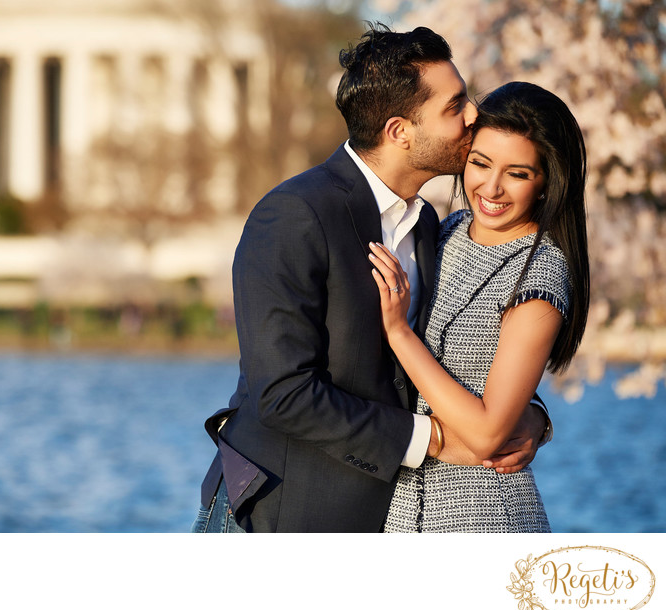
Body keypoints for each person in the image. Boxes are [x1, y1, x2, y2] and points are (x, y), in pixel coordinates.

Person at [192, 24, 550, 533]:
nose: (475, 114)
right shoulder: (296, 214)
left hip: (382, 522)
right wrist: (434, 438)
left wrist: (530, 417)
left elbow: (465, 341)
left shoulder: (431, 224)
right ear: (400, 131)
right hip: (282, 514)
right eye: (455, 106)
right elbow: (282, 393)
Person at [369, 81, 589, 532]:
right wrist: (535, 416)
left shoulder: (538, 275)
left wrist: (399, 334)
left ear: (547, 181)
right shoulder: (445, 229)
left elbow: (489, 434)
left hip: (483, 514)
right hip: (402, 510)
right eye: (480, 163)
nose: (491, 187)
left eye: (518, 173)